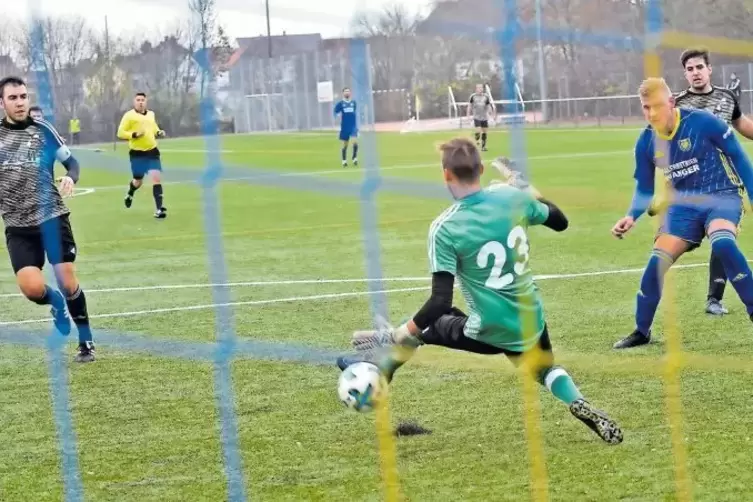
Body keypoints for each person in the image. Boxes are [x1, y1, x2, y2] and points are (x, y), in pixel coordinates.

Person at [338, 139, 623, 445]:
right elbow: (560, 221)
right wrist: (525, 188)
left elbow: (439, 300)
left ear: (446, 174)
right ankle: (576, 400)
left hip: (489, 329)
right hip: (530, 316)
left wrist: (399, 333)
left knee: (429, 325)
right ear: (482, 169)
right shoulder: (511, 197)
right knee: (543, 370)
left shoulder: (445, 228)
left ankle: (380, 370)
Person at [612, 77, 753, 349]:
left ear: (671, 102)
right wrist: (631, 216)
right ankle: (642, 331)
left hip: (721, 195)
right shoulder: (646, 142)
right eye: (645, 107)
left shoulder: (702, 122)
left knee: (723, 242)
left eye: (655, 106)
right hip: (683, 207)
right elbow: (643, 188)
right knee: (656, 263)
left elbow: (738, 156)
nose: (651, 113)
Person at [649, 48, 753, 315]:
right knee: (665, 243)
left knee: (722, 236)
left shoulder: (727, 98)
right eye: (690, 69)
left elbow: (741, 124)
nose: (695, 72)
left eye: (699, 67)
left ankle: (713, 299)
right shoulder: (678, 103)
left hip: (724, 182)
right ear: (685, 74)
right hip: (687, 182)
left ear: (709, 69)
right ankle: (646, 314)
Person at [0, 76, 95, 362]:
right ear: (2, 102)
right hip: (17, 225)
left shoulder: (43, 131)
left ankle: (85, 341)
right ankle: (55, 303)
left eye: (23, 96)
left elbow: (72, 162)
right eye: (13, 98)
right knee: (31, 288)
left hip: (51, 217)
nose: (20, 102)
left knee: (68, 281)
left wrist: (70, 176)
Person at [117, 92, 167, 219]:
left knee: (156, 178)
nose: (140, 102)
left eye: (142, 100)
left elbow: (153, 127)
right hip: (137, 153)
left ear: (146, 101)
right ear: (134, 102)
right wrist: (133, 135)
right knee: (138, 181)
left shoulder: (151, 114)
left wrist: (159, 132)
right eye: (138, 100)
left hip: (152, 151)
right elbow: (120, 133)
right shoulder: (129, 116)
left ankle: (158, 209)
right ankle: (130, 192)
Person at [333, 87, 358, 167]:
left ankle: (354, 157)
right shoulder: (340, 104)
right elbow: (335, 112)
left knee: (355, 142)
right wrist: (337, 115)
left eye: (348, 91)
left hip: (353, 126)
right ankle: (344, 160)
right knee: (345, 145)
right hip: (344, 127)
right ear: (343, 93)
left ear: (350, 93)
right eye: (345, 92)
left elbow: (354, 112)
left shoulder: (353, 103)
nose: (347, 93)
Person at [467, 83, 495, 152]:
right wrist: (468, 115)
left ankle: (483, 146)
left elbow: (488, 106)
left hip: (484, 117)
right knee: (478, 130)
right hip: (476, 117)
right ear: (476, 89)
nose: (480, 89)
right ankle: (477, 143)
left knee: (484, 132)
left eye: (481, 88)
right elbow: (469, 106)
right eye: (479, 88)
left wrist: (492, 114)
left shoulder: (486, 96)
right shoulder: (473, 96)